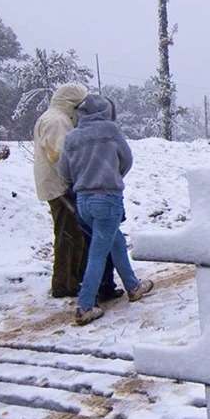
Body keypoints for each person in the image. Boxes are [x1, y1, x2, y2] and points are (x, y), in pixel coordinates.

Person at [58, 94, 154, 325]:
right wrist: (112, 175)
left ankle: (133, 287)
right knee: (99, 253)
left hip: (83, 201)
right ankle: (85, 305)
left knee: (115, 242)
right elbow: (127, 160)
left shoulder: (72, 137)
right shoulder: (110, 131)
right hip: (107, 199)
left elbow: (63, 171)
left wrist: (84, 179)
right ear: (105, 111)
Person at [33, 83, 120, 300]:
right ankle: (64, 284)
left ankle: (75, 279)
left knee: (75, 234)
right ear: (72, 103)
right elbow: (62, 156)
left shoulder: (55, 117)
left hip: (57, 183)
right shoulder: (58, 121)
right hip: (60, 186)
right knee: (68, 235)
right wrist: (80, 178)